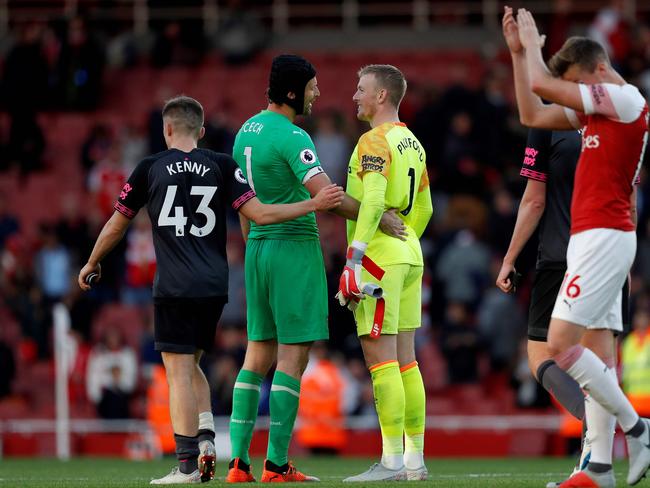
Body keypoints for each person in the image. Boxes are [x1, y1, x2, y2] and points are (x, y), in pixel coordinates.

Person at [78, 95, 344, 485]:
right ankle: (205, 439)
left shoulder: (149, 168)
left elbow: (118, 223)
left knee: (177, 370)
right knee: (192, 362)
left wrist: (92, 261)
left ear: (167, 128)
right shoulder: (222, 164)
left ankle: (186, 464)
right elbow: (259, 215)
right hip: (214, 284)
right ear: (201, 132)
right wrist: (312, 204)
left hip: (174, 283)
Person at [226, 54, 405, 484]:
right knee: (292, 356)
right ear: (293, 91)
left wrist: (253, 244)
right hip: (293, 248)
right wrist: (377, 215)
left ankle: (238, 465)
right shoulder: (293, 136)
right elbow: (327, 196)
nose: (318, 93)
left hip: (258, 248)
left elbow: (244, 203)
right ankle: (275, 465)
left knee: (256, 355)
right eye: (312, 86)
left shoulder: (244, 132)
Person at [508, 7, 650, 487]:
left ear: (597, 71)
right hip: (597, 236)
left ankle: (637, 428)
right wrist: (517, 56)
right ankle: (601, 470)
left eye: (576, 83)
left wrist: (531, 48)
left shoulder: (626, 100)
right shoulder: (600, 111)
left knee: (560, 344)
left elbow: (545, 87)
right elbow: (532, 111)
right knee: (599, 355)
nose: (574, 93)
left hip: (603, 236)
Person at [336, 64, 432, 482]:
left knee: (381, 362)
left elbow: (373, 198)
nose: (354, 96)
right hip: (410, 254)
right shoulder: (413, 142)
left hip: (377, 258)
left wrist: (355, 257)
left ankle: (391, 461)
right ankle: (415, 460)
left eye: (361, 90)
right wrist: (407, 240)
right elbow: (425, 208)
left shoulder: (373, 139)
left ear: (381, 97)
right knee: (408, 362)